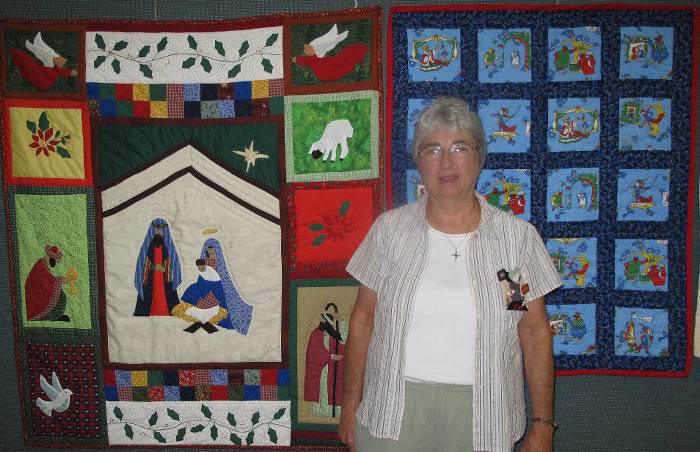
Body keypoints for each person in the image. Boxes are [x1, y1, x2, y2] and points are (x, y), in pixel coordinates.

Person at [339, 97, 562, 452]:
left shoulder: (511, 243)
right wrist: (350, 404)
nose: (446, 162)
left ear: (479, 157)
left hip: (484, 417)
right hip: (392, 413)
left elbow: (532, 332)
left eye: (459, 147)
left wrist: (543, 424)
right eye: (432, 149)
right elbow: (363, 321)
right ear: (418, 161)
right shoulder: (390, 233)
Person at [133, 218, 182, 316]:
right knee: (147, 301)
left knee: (169, 300)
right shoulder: (146, 246)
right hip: (149, 281)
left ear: (165, 231)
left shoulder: (170, 247)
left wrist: (164, 268)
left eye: (161, 229)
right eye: (156, 229)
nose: (159, 231)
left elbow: (175, 263)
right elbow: (141, 263)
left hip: (166, 281)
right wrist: (153, 267)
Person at [304, 302, 346, 418]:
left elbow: (345, 342)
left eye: (325, 320)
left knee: (336, 390)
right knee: (324, 392)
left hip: (336, 370)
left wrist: (341, 320)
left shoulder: (337, 333)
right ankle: (322, 412)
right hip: (322, 371)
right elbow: (312, 353)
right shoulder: (316, 334)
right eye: (322, 320)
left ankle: (337, 413)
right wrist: (330, 356)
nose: (323, 322)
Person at [171, 259, 230, 333]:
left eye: (202, 266)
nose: (201, 268)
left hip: (213, 295)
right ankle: (206, 325)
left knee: (212, 310)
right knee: (191, 292)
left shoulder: (214, 276)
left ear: (205, 265)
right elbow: (200, 284)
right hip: (201, 293)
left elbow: (217, 289)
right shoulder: (200, 275)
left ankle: (203, 324)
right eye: (199, 266)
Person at [24, 245, 71, 321]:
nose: (55, 263)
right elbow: (47, 280)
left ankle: (55, 316)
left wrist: (61, 280)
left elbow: (48, 279)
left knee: (60, 293)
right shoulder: (41, 265)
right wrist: (62, 280)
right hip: (36, 294)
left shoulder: (44, 263)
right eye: (55, 261)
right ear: (52, 259)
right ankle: (48, 316)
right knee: (60, 294)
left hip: (40, 291)